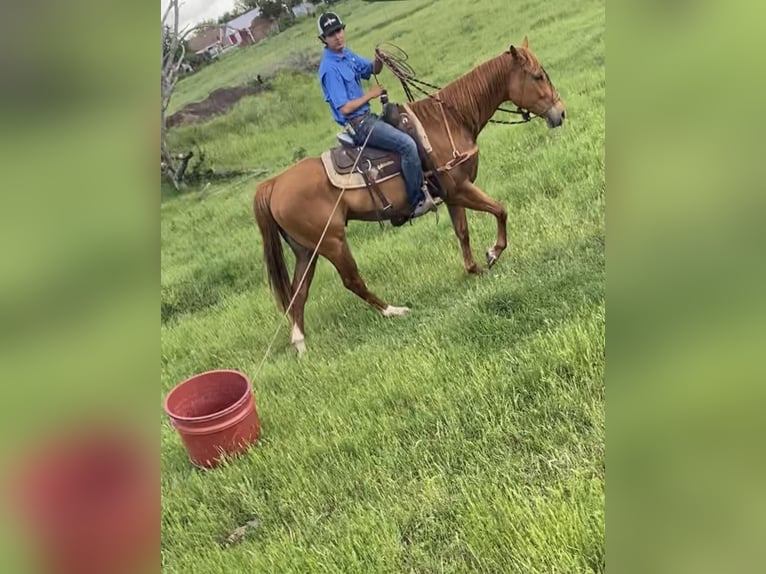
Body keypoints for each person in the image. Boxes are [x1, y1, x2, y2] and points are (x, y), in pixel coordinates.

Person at [316, 11, 436, 218]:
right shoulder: (329, 69)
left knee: (408, 124)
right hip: (359, 124)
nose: (337, 36)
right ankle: (416, 201)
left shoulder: (347, 55)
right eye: (331, 34)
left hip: (367, 118)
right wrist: (370, 95)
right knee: (406, 145)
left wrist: (379, 59)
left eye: (339, 30)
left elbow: (372, 69)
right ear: (323, 39)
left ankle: (424, 181)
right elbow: (344, 108)